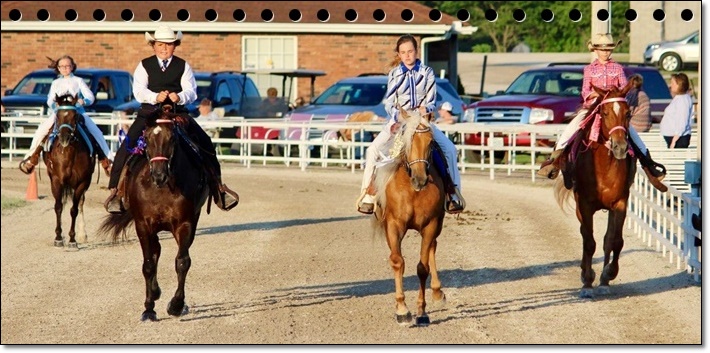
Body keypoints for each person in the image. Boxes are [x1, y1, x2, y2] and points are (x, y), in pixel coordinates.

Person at [104, 25, 238, 213]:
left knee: (206, 143)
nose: (164, 48)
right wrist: (154, 97)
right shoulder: (144, 65)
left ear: (175, 45)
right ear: (153, 45)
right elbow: (139, 90)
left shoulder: (183, 66)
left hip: (177, 113)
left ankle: (218, 189)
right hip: (150, 113)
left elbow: (191, 91)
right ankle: (116, 192)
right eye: (160, 44)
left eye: (168, 44)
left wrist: (180, 97)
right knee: (128, 144)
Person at [537, 33, 666, 190]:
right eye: (603, 49)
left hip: (613, 108)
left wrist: (619, 95)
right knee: (572, 128)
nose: (606, 52)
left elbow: (624, 88)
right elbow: (585, 90)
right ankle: (554, 161)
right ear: (596, 50)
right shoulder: (589, 69)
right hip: (593, 107)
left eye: (609, 49)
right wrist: (593, 94)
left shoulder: (618, 68)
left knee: (632, 134)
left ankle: (650, 166)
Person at [356, 34, 465, 215]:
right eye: (403, 52)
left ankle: (452, 194)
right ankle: (368, 195)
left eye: (410, 51)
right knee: (372, 150)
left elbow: (432, 100)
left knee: (450, 149)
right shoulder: (395, 74)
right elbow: (389, 102)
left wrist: (425, 109)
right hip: (400, 120)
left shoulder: (427, 72)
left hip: (421, 120)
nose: (407, 55)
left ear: (416, 51)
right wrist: (398, 115)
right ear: (399, 54)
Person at [19, 55, 112, 176]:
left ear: (72, 67)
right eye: (62, 66)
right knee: (41, 131)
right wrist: (55, 106)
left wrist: (83, 101)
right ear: (58, 68)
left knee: (96, 132)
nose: (65, 68)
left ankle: (108, 161)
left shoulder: (78, 81)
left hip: (78, 112)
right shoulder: (56, 83)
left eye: (67, 66)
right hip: (59, 114)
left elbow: (90, 96)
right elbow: (49, 100)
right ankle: (31, 158)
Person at [660, 73, 693, 148]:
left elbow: (682, 121)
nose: (670, 85)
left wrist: (674, 140)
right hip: (672, 137)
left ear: (680, 85)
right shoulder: (679, 98)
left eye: (673, 83)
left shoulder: (683, 100)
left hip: (678, 139)